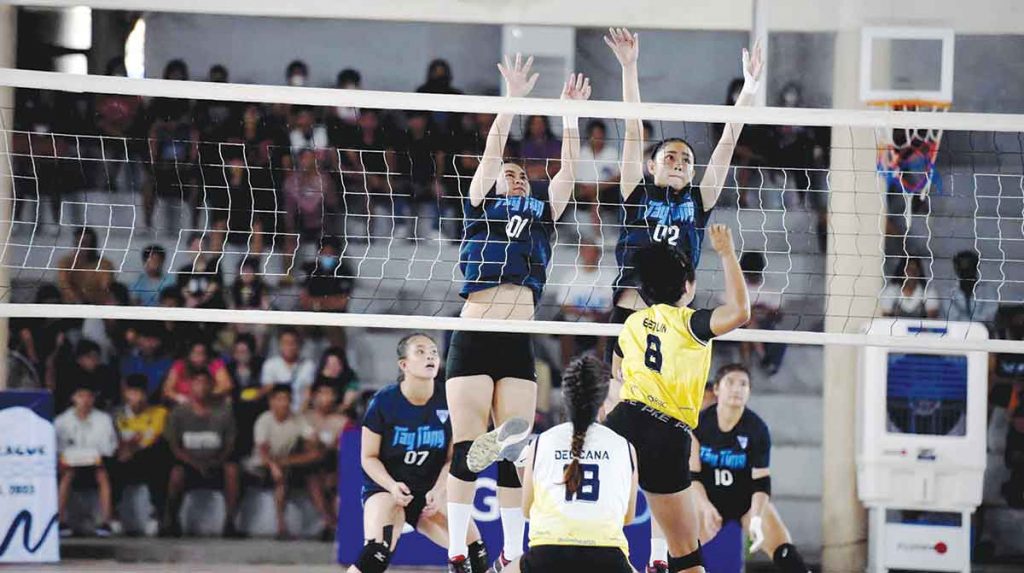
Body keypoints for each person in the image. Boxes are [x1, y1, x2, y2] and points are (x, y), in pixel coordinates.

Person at [444, 56, 590, 573]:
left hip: (516, 338)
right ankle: (458, 551)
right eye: (509, 173)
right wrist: (512, 98)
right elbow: (491, 149)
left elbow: (569, 172)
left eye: (521, 173)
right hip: (475, 331)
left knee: (511, 449)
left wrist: (569, 116)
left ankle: (509, 554)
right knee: (467, 449)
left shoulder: (542, 217)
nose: (516, 177)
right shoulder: (481, 204)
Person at [604, 225, 751, 573]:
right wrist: (727, 252)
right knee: (685, 553)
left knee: (592, 526)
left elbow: (617, 371)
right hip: (666, 433)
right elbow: (741, 311)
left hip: (622, 421)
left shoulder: (634, 323)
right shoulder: (692, 323)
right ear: (687, 287)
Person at [605, 28, 763, 326]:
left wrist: (750, 89)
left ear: (693, 172)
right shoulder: (636, 191)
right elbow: (633, 129)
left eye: (686, 160)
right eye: (670, 157)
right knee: (617, 376)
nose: (678, 163)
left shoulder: (699, 199)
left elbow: (727, 143)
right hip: (632, 311)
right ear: (652, 166)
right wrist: (629, 66)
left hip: (674, 318)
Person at [352, 333, 489, 573]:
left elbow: (452, 458)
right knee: (376, 554)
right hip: (388, 488)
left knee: (475, 554)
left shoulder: (449, 398)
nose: (430, 356)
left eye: (434, 352)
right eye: (421, 351)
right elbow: (368, 457)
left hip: (430, 489)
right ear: (404, 364)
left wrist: (438, 490)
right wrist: (392, 486)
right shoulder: (383, 401)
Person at [496, 355, 638, 573]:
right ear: (602, 402)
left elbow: (526, 510)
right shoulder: (624, 446)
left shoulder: (542, 441)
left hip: (547, 556)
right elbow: (628, 518)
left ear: (564, 396)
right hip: (608, 559)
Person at [668, 364, 810, 573]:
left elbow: (761, 481)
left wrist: (757, 516)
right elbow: (693, 477)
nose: (737, 389)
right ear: (717, 389)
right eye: (730, 383)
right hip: (709, 500)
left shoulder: (757, 428)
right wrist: (705, 507)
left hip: (746, 501)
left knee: (785, 552)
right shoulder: (699, 425)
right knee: (681, 551)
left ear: (749, 391)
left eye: (743, 384)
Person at [162, 370, 242, 538]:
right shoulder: (179, 413)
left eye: (205, 383)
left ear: (212, 386)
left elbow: (229, 445)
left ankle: (230, 522)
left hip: (216, 464)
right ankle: (171, 520)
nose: (201, 387)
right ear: (190, 386)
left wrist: (215, 462)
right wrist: (194, 464)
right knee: (176, 473)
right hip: (188, 464)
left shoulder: (224, 412)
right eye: (197, 383)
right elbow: (174, 447)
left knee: (232, 470)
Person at [248, 384, 333, 540]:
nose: (284, 403)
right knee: (281, 479)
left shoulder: (297, 419)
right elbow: (263, 452)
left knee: (313, 475)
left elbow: (313, 440)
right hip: (264, 464)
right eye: (279, 399)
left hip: (287, 462)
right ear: (271, 402)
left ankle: (329, 523)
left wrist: (315, 441)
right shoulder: (264, 420)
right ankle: (281, 528)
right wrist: (274, 466)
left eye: (287, 399)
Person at [56, 382, 118, 538]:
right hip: (70, 462)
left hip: (95, 462)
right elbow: (57, 447)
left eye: (89, 396)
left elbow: (110, 446)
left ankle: (106, 522)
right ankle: (60, 521)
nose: (85, 400)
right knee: (67, 474)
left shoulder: (103, 419)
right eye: (81, 396)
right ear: (73, 398)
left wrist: (96, 456)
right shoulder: (61, 421)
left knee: (102, 475)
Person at [111, 374, 171, 535]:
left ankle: (155, 514)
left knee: (158, 456)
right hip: (123, 460)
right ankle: (113, 515)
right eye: (132, 393)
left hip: (146, 459)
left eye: (139, 393)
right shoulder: (116, 414)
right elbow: (114, 439)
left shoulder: (159, 412)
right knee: (110, 462)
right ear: (125, 393)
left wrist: (131, 447)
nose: (136, 397)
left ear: (146, 394)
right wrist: (127, 446)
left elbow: (152, 439)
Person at [261, 327, 317, 411]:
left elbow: (307, 395)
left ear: (299, 345)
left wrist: (298, 417)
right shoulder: (270, 365)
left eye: (292, 343)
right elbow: (268, 395)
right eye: (285, 343)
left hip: (301, 413)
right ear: (280, 345)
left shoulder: (308, 365)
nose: (289, 347)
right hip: (277, 413)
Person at [56, 227, 115, 305]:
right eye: (77, 244)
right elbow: (64, 286)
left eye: (84, 243)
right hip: (72, 307)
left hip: (97, 306)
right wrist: (78, 301)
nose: (81, 248)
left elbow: (105, 288)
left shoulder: (104, 264)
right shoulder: (66, 263)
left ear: (93, 245)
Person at [162, 340, 233, 405]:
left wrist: (206, 396)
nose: (199, 357)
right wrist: (180, 398)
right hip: (184, 404)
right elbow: (167, 389)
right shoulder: (179, 364)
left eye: (202, 353)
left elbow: (226, 385)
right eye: (195, 353)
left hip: (210, 402)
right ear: (188, 354)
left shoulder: (214, 363)